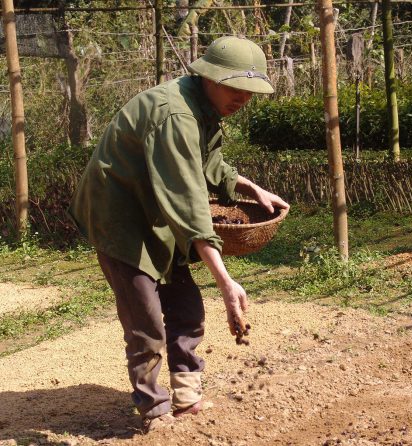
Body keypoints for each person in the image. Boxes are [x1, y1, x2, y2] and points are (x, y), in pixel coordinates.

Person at [68, 36, 289, 432]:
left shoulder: (205, 107)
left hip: (157, 212)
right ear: (209, 77)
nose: (243, 98)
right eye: (235, 88)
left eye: (249, 92)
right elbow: (187, 201)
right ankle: (154, 409)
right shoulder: (175, 115)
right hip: (120, 216)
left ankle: (186, 393)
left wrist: (249, 187)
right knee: (146, 321)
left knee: (186, 308)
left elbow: (208, 163)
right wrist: (226, 282)